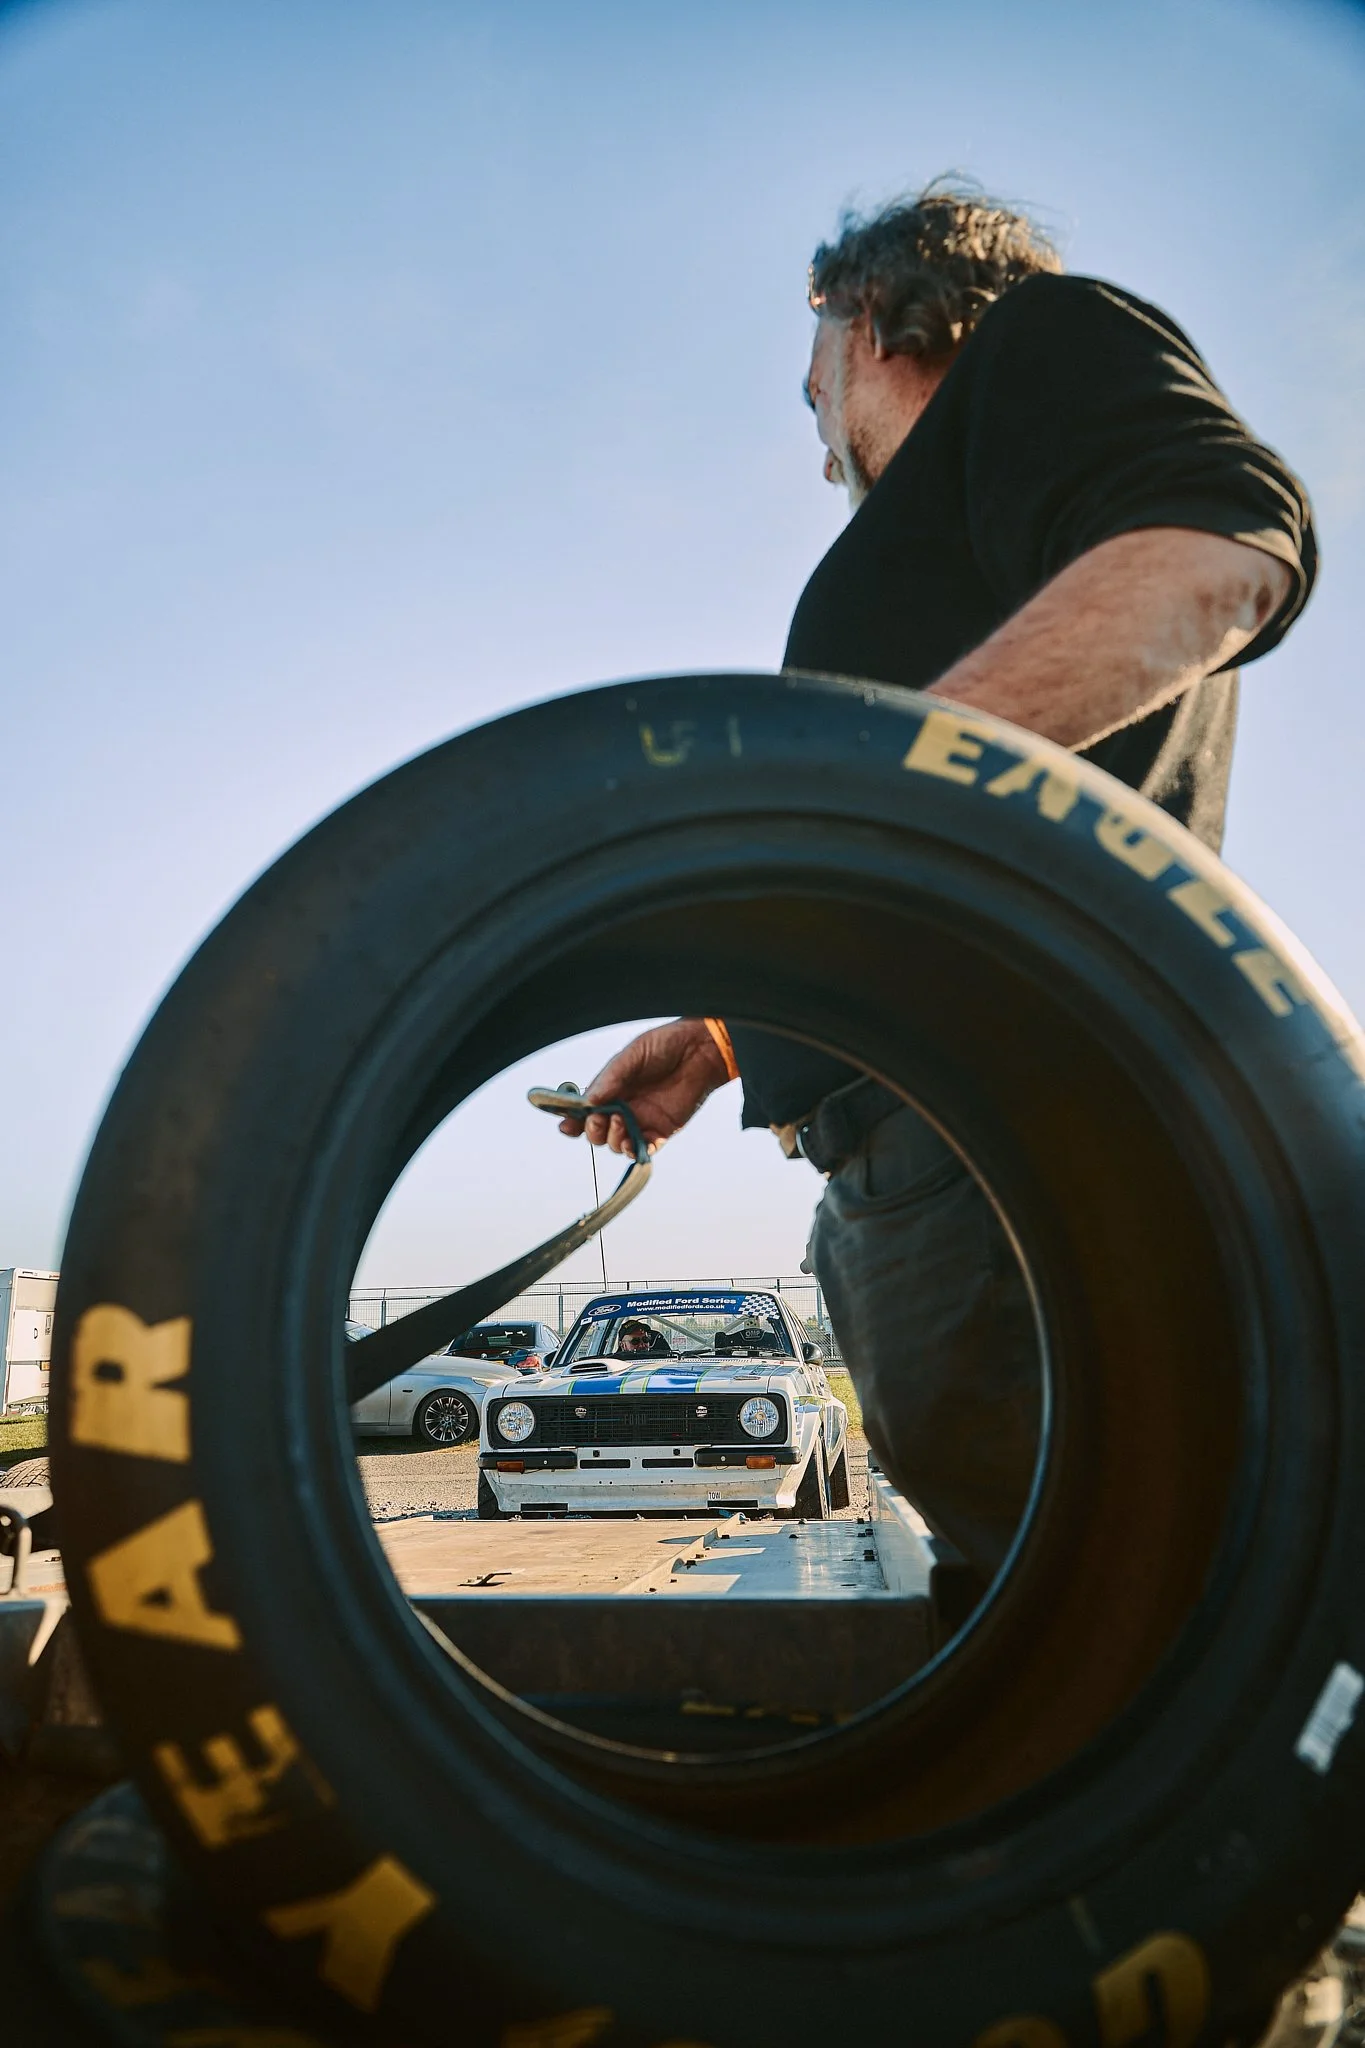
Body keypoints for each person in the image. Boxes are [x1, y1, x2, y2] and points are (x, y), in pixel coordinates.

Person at [559, 184, 1316, 1581]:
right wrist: (727, 1039)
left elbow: (1220, 546)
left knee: (1135, 1631)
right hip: (929, 1161)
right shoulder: (964, 521)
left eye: (814, 388)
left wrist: (870, 791)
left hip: (1003, 1145)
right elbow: (931, 872)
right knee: (1053, 1620)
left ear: (875, 310)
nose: (819, 439)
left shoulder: (1044, 340)